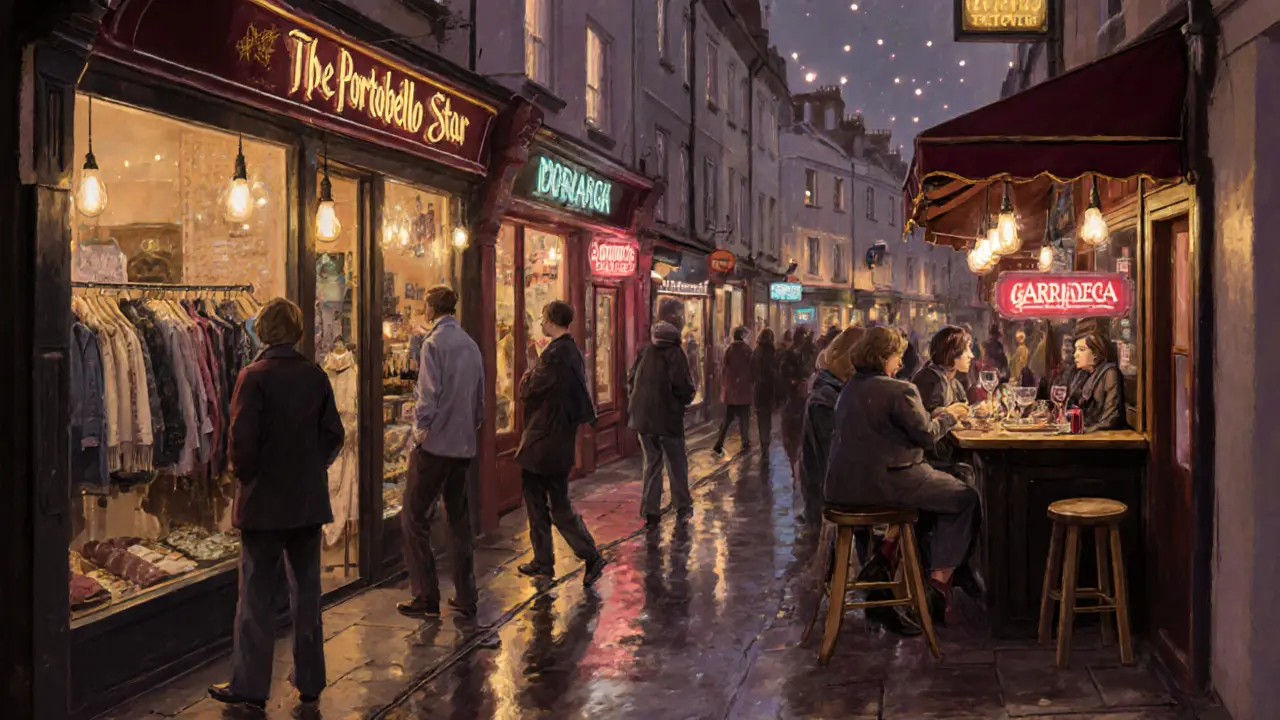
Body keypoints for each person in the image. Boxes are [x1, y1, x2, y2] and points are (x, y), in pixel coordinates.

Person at [210, 298, 344, 709]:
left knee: (256, 596)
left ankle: (250, 686)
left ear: (262, 332)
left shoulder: (254, 377)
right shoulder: (315, 375)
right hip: (306, 502)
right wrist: (310, 466)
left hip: (264, 504)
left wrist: (246, 477)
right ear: (298, 332)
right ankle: (310, 679)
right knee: (307, 594)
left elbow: (242, 443)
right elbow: (333, 434)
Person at [825, 327, 977, 623]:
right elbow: (928, 436)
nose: (901, 363)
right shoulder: (899, 389)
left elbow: (887, 429)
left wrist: (930, 417)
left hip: (843, 489)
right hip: (886, 484)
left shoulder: (852, 387)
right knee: (966, 497)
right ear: (883, 357)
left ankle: (883, 560)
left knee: (944, 489)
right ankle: (938, 584)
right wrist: (950, 416)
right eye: (897, 356)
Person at [396, 286, 486, 624]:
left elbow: (428, 398)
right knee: (458, 520)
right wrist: (468, 430)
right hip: (462, 447)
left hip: (435, 446)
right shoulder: (470, 345)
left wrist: (418, 434)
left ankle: (426, 595)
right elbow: (480, 401)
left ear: (431, 309)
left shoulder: (434, 344)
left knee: (413, 517)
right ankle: (466, 595)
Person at [514, 301, 608, 587]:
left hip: (544, 440)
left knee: (547, 505)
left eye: (543, 317)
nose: (541, 322)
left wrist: (530, 368)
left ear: (553, 320)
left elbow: (528, 390)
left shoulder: (555, 354)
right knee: (552, 503)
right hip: (558, 440)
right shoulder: (571, 351)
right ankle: (545, 561)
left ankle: (586, 554)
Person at [629, 298, 698, 526]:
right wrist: (685, 400)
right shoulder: (676, 354)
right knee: (676, 463)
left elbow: (630, 380)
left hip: (642, 419)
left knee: (652, 463)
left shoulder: (644, 351)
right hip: (668, 418)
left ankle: (650, 510)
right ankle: (682, 506)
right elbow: (684, 387)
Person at [798, 326, 863, 526]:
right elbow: (831, 458)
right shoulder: (826, 397)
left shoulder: (840, 388)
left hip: (831, 493)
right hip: (828, 499)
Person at [912, 325, 974, 471]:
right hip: (932, 461)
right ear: (951, 353)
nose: (971, 355)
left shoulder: (955, 382)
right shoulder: (928, 380)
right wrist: (947, 412)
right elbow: (924, 429)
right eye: (966, 350)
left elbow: (964, 413)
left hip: (949, 452)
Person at [778, 327, 817, 480]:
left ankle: (796, 463)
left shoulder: (807, 352)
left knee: (796, 434)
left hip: (798, 400)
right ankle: (795, 463)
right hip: (796, 399)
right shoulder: (791, 355)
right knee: (795, 434)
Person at [1068, 332, 1125, 433]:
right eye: (1075, 349)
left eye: (1081, 349)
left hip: (1102, 438)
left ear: (1095, 353)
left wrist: (1085, 432)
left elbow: (1111, 417)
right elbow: (1071, 407)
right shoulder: (1082, 375)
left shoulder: (1110, 373)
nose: (1075, 354)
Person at [713, 326, 754, 455]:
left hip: (731, 392)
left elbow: (724, 369)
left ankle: (719, 442)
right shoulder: (747, 350)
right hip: (743, 390)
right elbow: (752, 369)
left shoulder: (729, 350)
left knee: (727, 418)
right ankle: (745, 442)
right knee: (744, 418)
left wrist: (727, 385)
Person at [750, 328, 780, 453]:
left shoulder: (756, 351)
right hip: (769, 387)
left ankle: (764, 441)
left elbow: (751, 369)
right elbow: (775, 369)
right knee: (767, 415)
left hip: (759, 388)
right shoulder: (772, 351)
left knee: (761, 416)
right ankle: (766, 440)